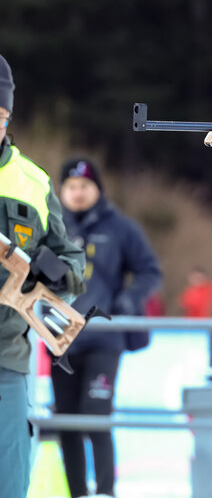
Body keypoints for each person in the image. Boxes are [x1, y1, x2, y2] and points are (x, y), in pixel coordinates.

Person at [0, 54, 86, 498]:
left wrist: (54, 275)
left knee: (10, 483)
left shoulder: (32, 181)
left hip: (7, 361)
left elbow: (71, 257)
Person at [54, 157, 162, 498]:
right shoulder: (51, 225)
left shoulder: (121, 227)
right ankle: (77, 493)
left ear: (97, 189)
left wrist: (128, 301)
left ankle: (105, 492)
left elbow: (150, 271)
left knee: (96, 417)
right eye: (71, 186)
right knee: (65, 422)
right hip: (60, 338)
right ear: (62, 191)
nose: (78, 192)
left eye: (84, 186)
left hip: (105, 339)